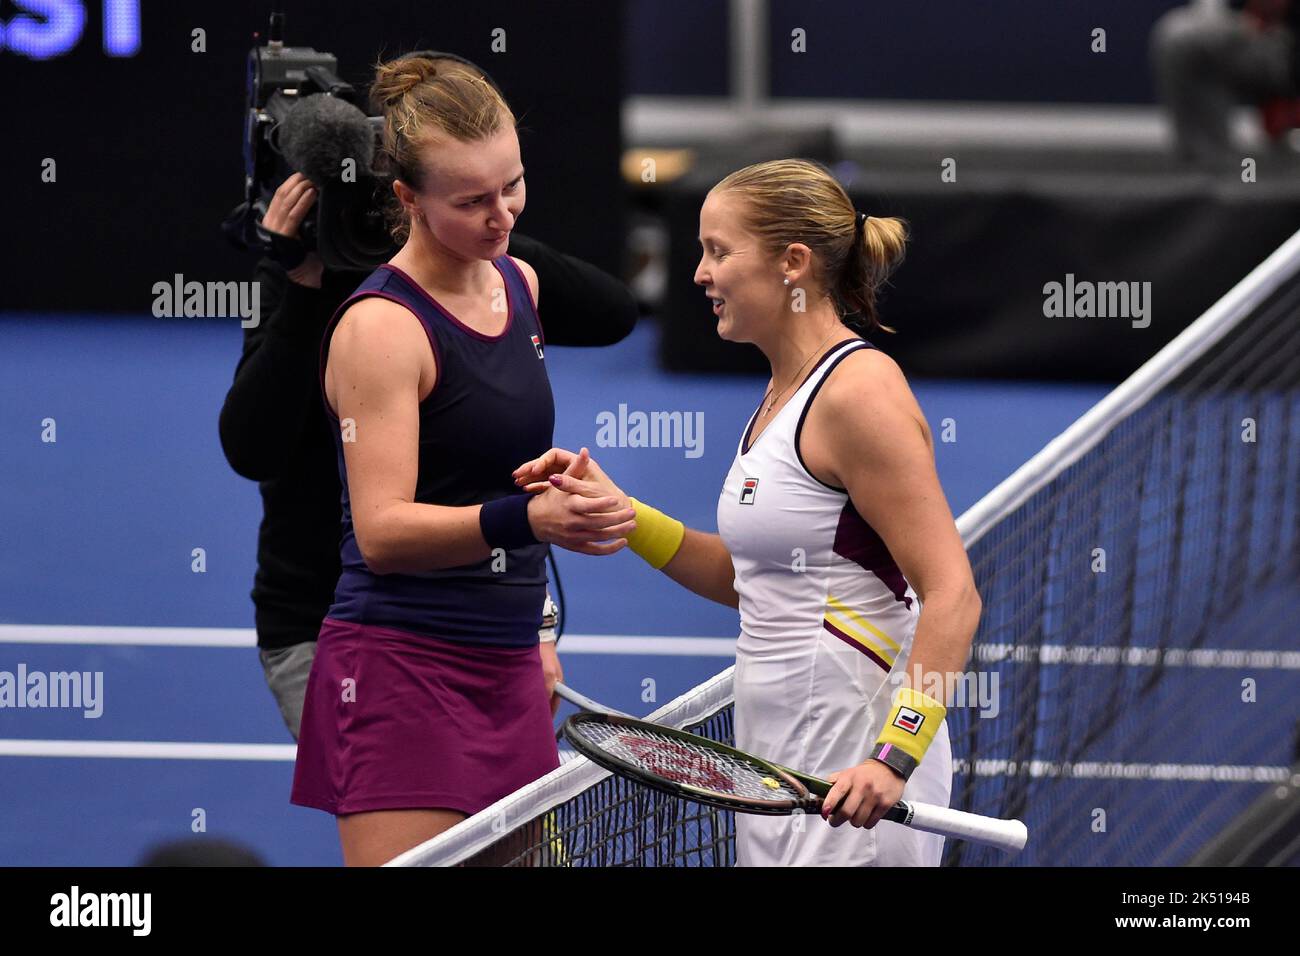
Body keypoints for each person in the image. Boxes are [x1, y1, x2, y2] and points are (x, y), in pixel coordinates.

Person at [515, 159, 982, 866]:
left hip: (854, 756)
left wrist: (895, 756)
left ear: (791, 263)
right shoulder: (781, 392)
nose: (700, 273)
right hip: (778, 758)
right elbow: (759, 583)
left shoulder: (859, 396)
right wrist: (625, 514)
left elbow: (954, 595)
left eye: (718, 251)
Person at [218, 54, 638, 744]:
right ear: (410, 196)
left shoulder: (505, 274)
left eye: (512, 187)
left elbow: (613, 313)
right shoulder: (344, 303)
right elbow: (252, 447)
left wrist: (472, 241)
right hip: (334, 621)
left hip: (493, 620)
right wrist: (301, 285)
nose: (499, 214)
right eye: (471, 199)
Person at [1150, 0, 1300, 164]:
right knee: (1177, 33)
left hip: (1282, 43)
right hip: (1252, 33)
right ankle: (1204, 159)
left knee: (1182, 38)